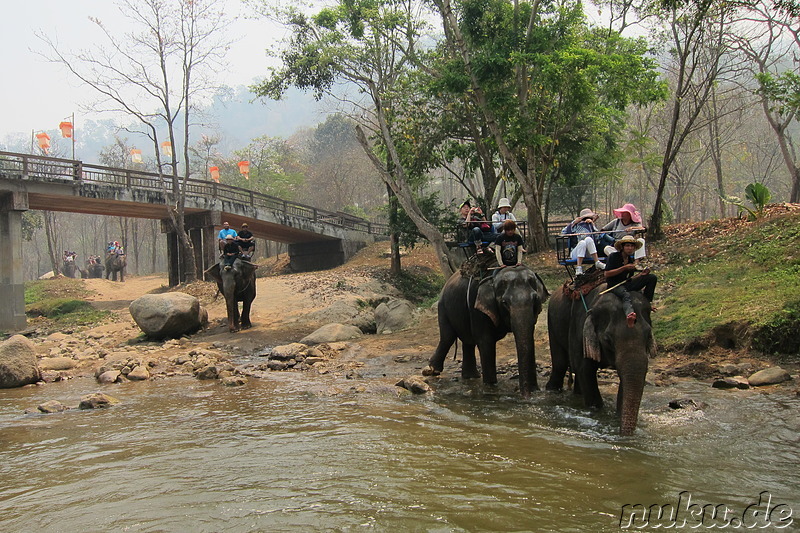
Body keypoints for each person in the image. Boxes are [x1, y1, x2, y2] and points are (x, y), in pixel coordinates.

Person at [604, 235, 658, 328]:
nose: (630, 248)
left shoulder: (630, 259)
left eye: (632, 246)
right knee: (626, 295)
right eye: (627, 246)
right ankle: (629, 314)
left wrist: (642, 275)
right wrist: (623, 268)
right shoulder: (614, 257)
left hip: (626, 284)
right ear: (622, 247)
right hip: (615, 285)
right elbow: (607, 274)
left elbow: (630, 278)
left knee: (652, 278)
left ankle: (647, 302)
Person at [561, 208, 606, 275]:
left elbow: (597, 237)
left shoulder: (591, 225)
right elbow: (563, 233)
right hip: (576, 252)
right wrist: (574, 222)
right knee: (582, 242)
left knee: (588, 239)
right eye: (584, 218)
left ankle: (597, 262)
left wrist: (593, 225)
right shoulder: (575, 225)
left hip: (588, 253)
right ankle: (578, 268)